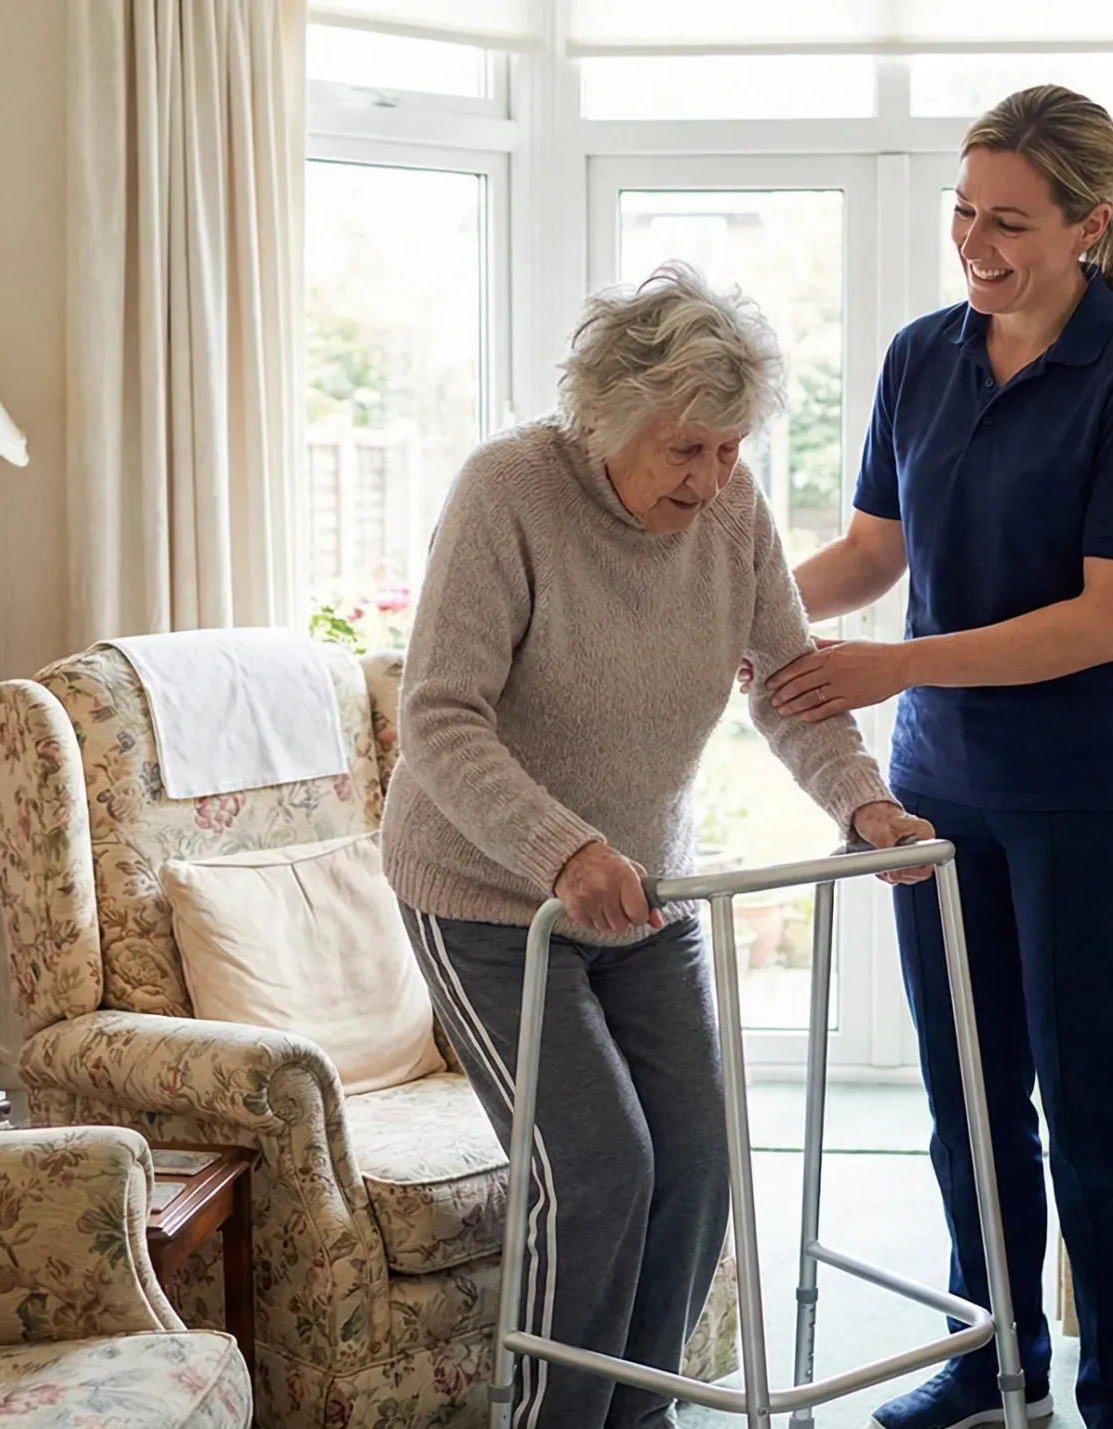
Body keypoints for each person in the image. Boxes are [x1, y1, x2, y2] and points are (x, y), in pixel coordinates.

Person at [382, 260, 937, 1429]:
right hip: (491, 897)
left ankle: (638, 1419)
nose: (712, 477)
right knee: (596, 1170)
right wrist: (560, 849)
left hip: (643, 891)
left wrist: (863, 803)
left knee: (695, 1163)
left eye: (731, 448)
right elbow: (435, 714)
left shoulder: (731, 513)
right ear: (607, 418)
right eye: (687, 448)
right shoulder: (509, 493)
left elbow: (788, 687)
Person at [763, 85, 1113, 1429]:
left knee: (1095, 1112)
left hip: (1088, 795)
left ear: (1090, 224)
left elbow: (1105, 617)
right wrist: (741, 612)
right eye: (964, 211)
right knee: (967, 1102)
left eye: (1008, 221)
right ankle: (990, 1358)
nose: (976, 241)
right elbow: (874, 555)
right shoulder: (918, 357)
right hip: (937, 792)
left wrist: (892, 662)